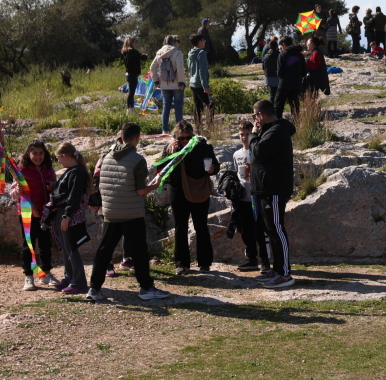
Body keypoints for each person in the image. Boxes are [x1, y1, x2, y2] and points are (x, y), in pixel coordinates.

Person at [86, 123, 170, 301]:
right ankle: (146, 288)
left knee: (104, 251)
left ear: (121, 136)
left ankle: (94, 289)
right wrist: (155, 184)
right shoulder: (137, 159)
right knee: (139, 252)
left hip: (110, 212)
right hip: (131, 213)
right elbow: (140, 191)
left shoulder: (105, 156)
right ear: (137, 139)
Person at [159, 121, 219, 275]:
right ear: (175, 138)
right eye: (181, 138)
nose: (185, 141)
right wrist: (173, 153)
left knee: (201, 226)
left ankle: (204, 263)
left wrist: (212, 169)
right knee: (180, 227)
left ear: (193, 136)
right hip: (177, 191)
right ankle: (181, 263)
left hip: (198, 190)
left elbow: (215, 166)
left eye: (188, 137)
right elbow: (163, 169)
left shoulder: (203, 147)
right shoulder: (170, 148)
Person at [250, 99, 297, 288]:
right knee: (270, 230)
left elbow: (259, 152)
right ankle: (276, 269)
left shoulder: (277, 131)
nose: (254, 120)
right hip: (264, 188)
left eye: (255, 116)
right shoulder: (269, 130)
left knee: (277, 230)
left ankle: (285, 273)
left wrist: (253, 136)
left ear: (260, 115)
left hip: (274, 189)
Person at [44, 142, 91, 293]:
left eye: (58, 158)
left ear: (65, 156)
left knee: (71, 248)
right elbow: (66, 189)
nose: (58, 161)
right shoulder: (71, 170)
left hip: (68, 215)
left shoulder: (76, 172)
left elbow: (74, 196)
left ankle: (79, 282)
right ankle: (69, 277)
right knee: (65, 248)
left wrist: (67, 216)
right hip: (62, 213)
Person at [12, 139, 59, 291]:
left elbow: (56, 188)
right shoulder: (21, 171)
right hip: (27, 213)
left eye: (41, 153)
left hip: (45, 212)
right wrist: (17, 192)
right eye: (35, 154)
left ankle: (46, 274)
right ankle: (29, 276)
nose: (38, 157)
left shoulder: (49, 170)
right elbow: (13, 193)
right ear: (28, 154)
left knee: (45, 244)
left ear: (45, 154)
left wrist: (53, 187)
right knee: (29, 245)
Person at [231, 120, 269, 272]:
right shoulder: (236, 154)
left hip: (257, 196)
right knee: (246, 230)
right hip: (243, 197)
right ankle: (251, 258)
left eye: (247, 134)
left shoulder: (256, 151)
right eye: (242, 135)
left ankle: (265, 260)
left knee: (260, 229)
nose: (245, 137)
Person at [149, 35, 186, 134]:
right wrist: (181, 81)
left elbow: (152, 68)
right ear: (174, 42)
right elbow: (180, 68)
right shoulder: (177, 52)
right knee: (178, 106)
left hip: (164, 84)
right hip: (177, 84)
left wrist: (156, 81)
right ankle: (179, 130)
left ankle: (165, 130)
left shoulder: (159, 53)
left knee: (166, 106)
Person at [187, 33, 213, 133]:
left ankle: (198, 127)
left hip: (192, 82)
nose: (205, 42)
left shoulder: (190, 52)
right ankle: (210, 126)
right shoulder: (201, 53)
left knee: (197, 105)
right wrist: (205, 86)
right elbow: (202, 70)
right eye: (203, 40)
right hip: (200, 84)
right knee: (210, 104)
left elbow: (190, 68)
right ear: (199, 42)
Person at [275, 37, 306, 118]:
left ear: (283, 44)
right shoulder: (300, 55)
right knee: (295, 107)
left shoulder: (282, 55)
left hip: (284, 84)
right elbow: (304, 71)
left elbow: (279, 73)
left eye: (281, 46)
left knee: (278, 106)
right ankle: (296, 125)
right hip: (297, 84)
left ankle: (277, 124)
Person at [121, 37, 148, 109]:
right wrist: (145, 55)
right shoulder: (133, 51)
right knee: (131, 93)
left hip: (128, 73)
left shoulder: (125, 52)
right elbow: (143, 57)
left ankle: (131, 108)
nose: (135, 43)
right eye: (134, 42)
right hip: (133, 74)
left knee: (131, 92)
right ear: (131, 43)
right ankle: (130, 109)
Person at [261, 38, 280, 104]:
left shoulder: (266, 56)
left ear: (269, 47)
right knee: (278, 93)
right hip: (277, 76)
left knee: (272, 93)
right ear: (277, 46)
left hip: (268, 77)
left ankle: (271, 107)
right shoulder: (279, 55)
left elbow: (263, 67)